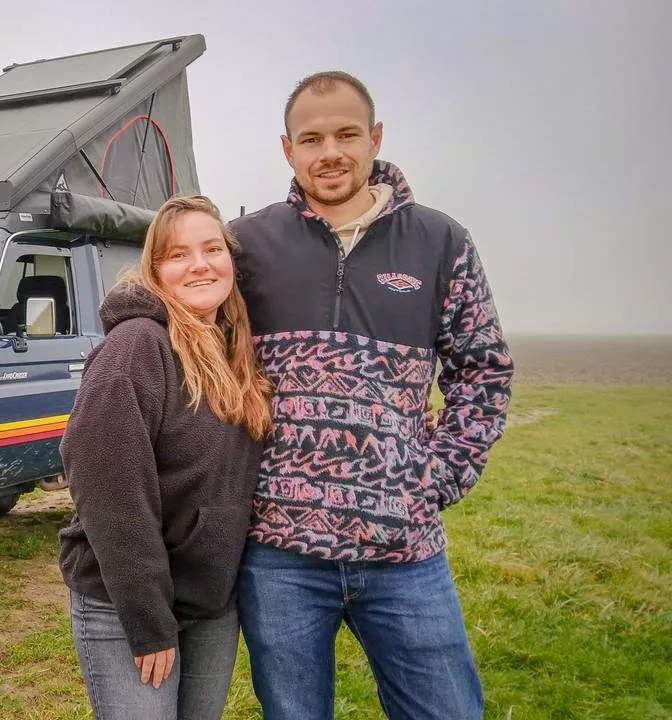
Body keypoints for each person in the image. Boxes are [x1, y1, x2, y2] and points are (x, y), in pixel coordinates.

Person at [228, 70, 515, 719]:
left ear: (375, 137)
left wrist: (435, 478)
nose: (329, 151)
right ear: (288, 149)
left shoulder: (441, 241)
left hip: (404, 554)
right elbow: (186, 320)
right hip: (279, 558)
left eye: (346, 134)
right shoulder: (247, 244)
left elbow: (484, 369)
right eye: (312, 138)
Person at [58, 194, 273, 719]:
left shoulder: (235, 353)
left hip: (209, 601)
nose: (199, 264)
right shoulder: (137, 346)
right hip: (127, 602)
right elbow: (107, 488)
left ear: (230, 261)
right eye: (178, 255)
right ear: (156, 271)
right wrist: (148, 619)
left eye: (211, 249)